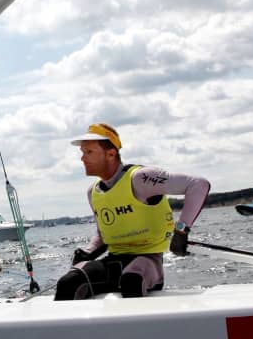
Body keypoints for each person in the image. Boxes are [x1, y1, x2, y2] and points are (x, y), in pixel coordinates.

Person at [56, 123, 211, 300]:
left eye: (89, 152)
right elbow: (103, 234)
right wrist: (88, 251)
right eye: (82, 152)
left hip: (147, 262)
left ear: (111, 154)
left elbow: (198, 185)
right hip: (113, 261)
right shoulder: (93, 192)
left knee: (131, 281)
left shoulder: (140, 178)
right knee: (67, 283)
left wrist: (181, 230)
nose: (82, 159)